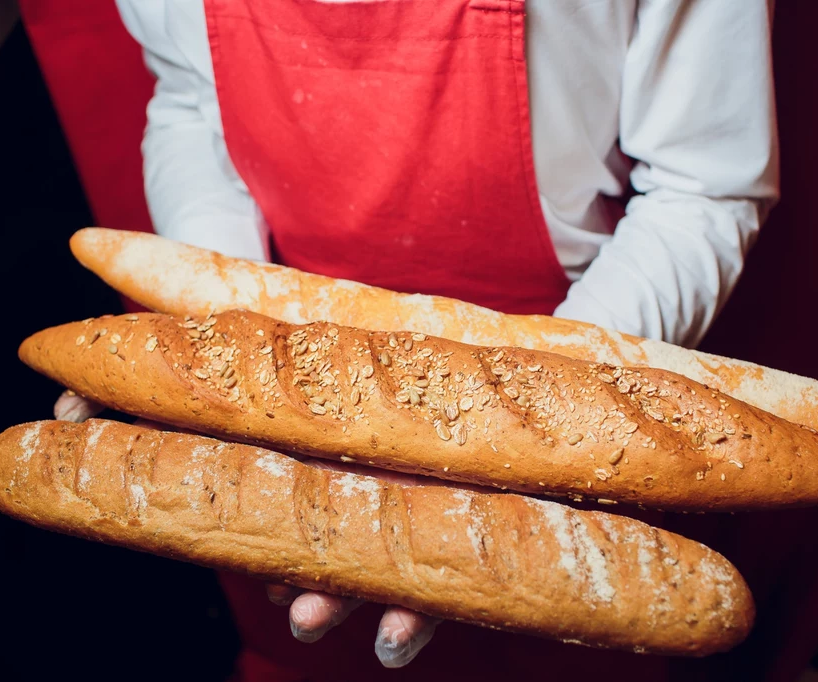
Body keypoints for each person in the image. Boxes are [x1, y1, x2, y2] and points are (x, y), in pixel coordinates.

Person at [56, 0, 778, 678]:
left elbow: (699, 187)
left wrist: (545, 407)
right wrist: (226, 352)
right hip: (281, 414)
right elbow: (188, 100)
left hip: (581, 365)